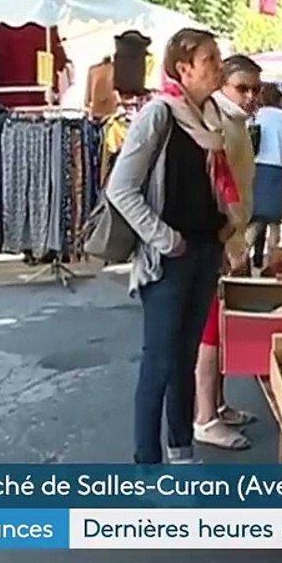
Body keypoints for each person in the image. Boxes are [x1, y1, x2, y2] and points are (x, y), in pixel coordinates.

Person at [106, 28, 243, 465]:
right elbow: (121, 188)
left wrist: (226, 226)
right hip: (168, 259)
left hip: (205, 251)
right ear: (183, 68)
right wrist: (166, 239)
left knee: (185, 359)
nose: (219, 68)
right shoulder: (159, 115)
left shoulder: (211, 118)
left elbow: (213, 184)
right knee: (161, 362)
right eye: (209, 60)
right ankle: (147, 462)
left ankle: (181, 451)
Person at [194, 54, 262, 452]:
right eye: (243, 88)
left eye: (256, 89)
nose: (251, 96)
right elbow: (217, 191)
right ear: (223, 85)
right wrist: (230, 244)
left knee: (222, 327)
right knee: (210, 333)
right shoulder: (216, 122)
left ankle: (218, 405)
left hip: (233, 240)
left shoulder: (234, 121)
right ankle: (205, 418)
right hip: (218, 244)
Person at [249, 82, 282, 269]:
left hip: (254, 169)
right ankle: (272, 263)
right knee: (275, 222)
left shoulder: (254, 115)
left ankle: (242, 260)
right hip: (277, 170)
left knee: (255, 220)